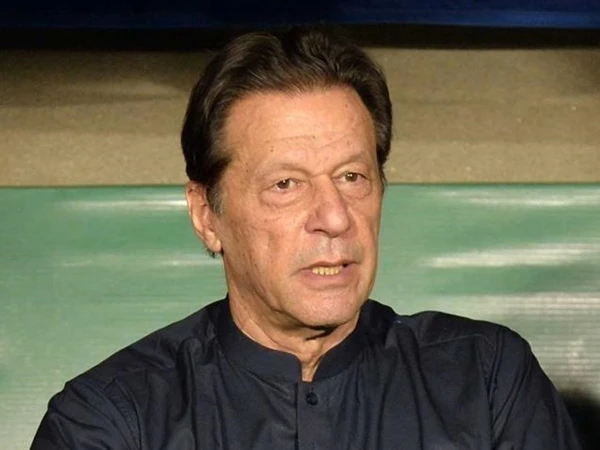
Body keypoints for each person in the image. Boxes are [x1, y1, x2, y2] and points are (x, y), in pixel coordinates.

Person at [31, 26, 581, 449]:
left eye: (352, 177)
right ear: (206, 215)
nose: (335, 217)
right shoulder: (111, 420)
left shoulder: (484, 379)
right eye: (286, 185)